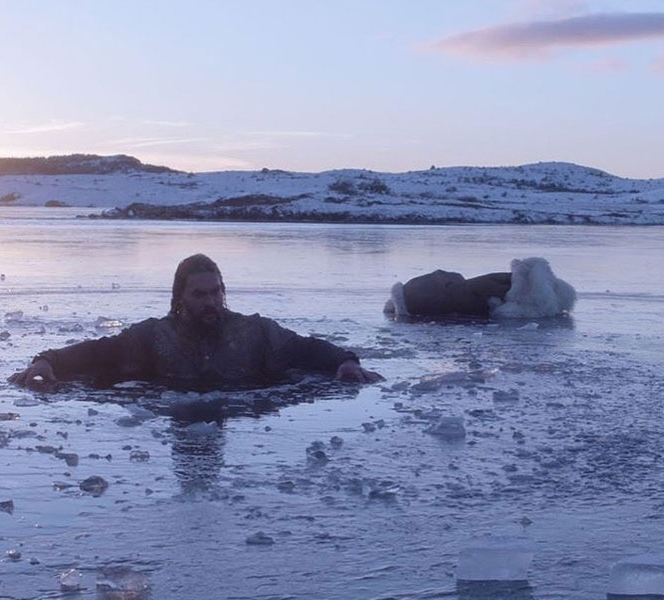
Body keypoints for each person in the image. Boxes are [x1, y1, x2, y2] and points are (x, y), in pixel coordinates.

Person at [9, 254, 382, 388]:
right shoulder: (155, 335)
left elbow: (304, 347)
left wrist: (345, 361)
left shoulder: (253, 330)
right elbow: (100, 352)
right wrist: (49, 360)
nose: (210, 302)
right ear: (180, 298)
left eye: (215, 292)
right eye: (199, 295)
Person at [384, 257, 576, 319]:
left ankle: (524, 282)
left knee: (502, 284)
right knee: (503, 284)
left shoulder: (417, 296)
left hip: (464, 293)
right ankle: (525, 282)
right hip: (464, 292)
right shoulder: (416, 292)